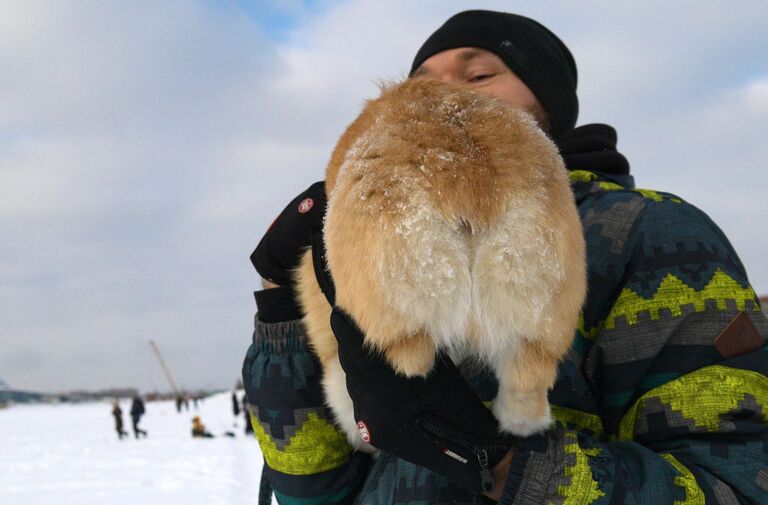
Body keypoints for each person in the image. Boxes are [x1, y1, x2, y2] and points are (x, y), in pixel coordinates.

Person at [242, 10, 768, 504]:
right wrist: (281, 312)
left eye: (478, 77)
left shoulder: (645, 231)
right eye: (419, 81)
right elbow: (312, 490)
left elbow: (736, 487)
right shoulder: (361, 243)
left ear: (547, 105)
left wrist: (497, 461)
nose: (440, 90)